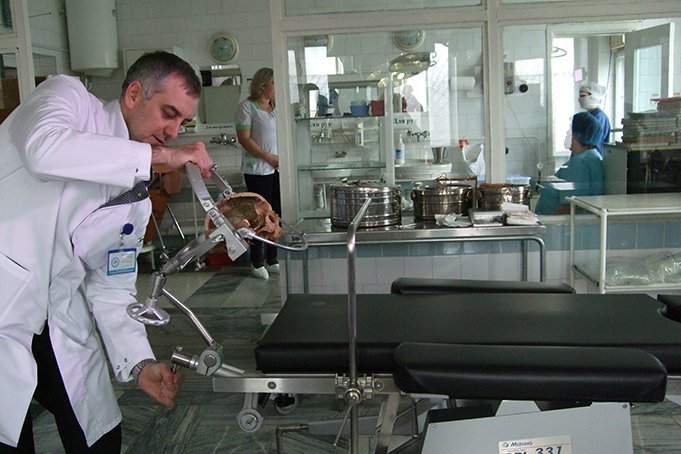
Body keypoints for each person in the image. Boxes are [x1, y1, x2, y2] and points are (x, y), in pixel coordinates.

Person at [0, 51, 214, 451]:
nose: (172, 132)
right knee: (11, 435)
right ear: (133, 94)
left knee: (99, 436)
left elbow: (112, 287)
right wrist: (158, 158)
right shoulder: (68, 98)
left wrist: (140, 363)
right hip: (4, 307)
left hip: (56, 315)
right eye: (168, 114)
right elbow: (42, 151)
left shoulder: (134, 199)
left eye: (182, 123)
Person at [235, 67, 281, 280]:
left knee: (276, 214)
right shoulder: (247, 107)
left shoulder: (275, 108)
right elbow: (244, 139)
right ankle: (257, 261)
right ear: (263, 85)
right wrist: (268, 157)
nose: (277, 87)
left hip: (277, 169)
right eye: (274, 83)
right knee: (259, 216)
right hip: (258, 170)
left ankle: (273, 257)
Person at [535, 112, 604, 215]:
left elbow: (570, 206)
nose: (568, 132)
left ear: (579, 135)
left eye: (571, 130)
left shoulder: (580, 162)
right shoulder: (591, 156)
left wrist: (549, 221)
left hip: (557, 222)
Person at [564, 82, 611, 156]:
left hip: (588, 157)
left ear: (594, 96)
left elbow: (586, 143)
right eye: (579, 96)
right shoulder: (588, 116)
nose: (579, 99)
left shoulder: (598, 118)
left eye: (583, 96)